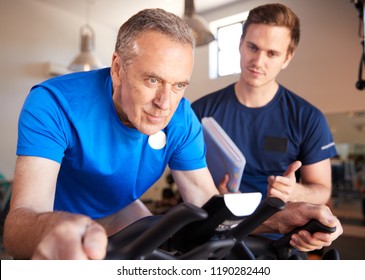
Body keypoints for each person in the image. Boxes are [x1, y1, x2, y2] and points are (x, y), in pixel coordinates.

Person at [4, 8, 342, 260]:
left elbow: (212, 211)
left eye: (179, 85)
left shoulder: (182, 118)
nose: (164, 103)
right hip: (52, 220)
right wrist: (54, 228)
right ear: (118, 68)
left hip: (120, 210)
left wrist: (281, 218)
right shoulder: (54, 103)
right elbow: (20, 222)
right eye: (152, 80)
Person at [192, 3, 337, 205]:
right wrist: (212, 192)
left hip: (277, 231)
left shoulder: (308, 118)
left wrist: (295, 192)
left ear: (287, 58)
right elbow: (188, 181)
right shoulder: (200, 111)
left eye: (272, 53)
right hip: (216, 228)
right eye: (253, 47)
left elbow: (322, 190)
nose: (258, 61)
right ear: (240, 44)